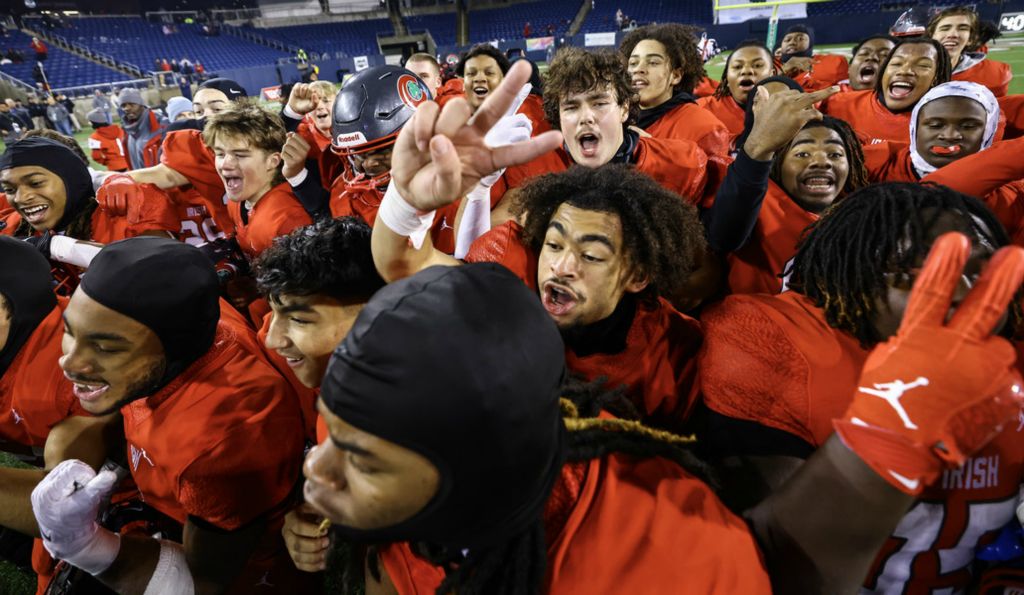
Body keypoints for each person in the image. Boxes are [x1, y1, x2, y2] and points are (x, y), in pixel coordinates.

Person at [699, 183, 1024, 594]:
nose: (961, 291)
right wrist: (889, 432)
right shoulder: (778, 340)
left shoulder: (1008, 355)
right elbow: (759, 562)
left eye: (980, 272)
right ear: (854, 278)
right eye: (912, 275)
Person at [30, 237, 316, 594]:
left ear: (176, 347)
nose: (69, 362)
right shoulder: (176, 315)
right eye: (70, 331)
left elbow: (203, 582)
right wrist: (54, 244)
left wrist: (83, 545)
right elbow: (129, 264)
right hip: (176, 504)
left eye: (104, 347)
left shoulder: (221, 438)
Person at [0, 237, 123, 592]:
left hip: (128, 495)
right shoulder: (17, 339)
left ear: (15, 304)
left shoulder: (69, 370)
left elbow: (64, 507)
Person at [704, 79, 864, 295]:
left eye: (835, 154)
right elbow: (723, 235)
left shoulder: (861, 217)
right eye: (802, 153)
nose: (821, 162)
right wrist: (757, 153)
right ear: (777, 164)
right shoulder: (757, 199)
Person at [860, 81, 1024, 240]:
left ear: (988, 133)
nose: (950, 135)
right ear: (915, 128)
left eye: (968, 126)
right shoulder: (873, 162)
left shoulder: (1011, 196)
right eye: (935, 125)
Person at [0, 138, 176, 251]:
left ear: (70, 179)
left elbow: (165, 271)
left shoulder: (125, 215)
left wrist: (60, 248)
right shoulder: (14, 227)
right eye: (9, 189)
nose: (20, 198)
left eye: (36, 183)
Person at [619, 23, 732, 163]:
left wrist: (654, 152)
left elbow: (713, 183)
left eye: (653, 62)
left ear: (676, 75)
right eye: (633, 63)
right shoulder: (615, 117)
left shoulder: (705, 127)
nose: (638, 69)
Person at [823, 37, 951, 144]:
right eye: (896, 63)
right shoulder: (837, 104)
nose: (904, 71)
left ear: (936, 77)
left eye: (922, 65)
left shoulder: (948, 122)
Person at [928, 6, 1012, 96]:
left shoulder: (994, 74)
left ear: (971, 39)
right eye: (945, 28)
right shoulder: (913, 69)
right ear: (932, 35)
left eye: (962, 28)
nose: (952, 34)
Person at [698, 39, 777, 136]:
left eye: (757, 65)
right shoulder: (702, 110)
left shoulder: (789, 111)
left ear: (772, 74)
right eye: (737, 66)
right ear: (726, 78)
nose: (746, 71)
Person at [777, 24, 849, 90]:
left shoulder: (833, 62)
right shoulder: (770, 65)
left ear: (810, 44)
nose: (792, 42)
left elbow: (847, 91)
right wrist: (783, 70)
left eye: (800, 39)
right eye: (787, 40)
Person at [116, 88, 166, 170]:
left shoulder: (161, 124)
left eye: (132, 104)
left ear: (141, 105)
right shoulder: (127, 130)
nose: (127, 108)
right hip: (140, 180)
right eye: (123, 105)